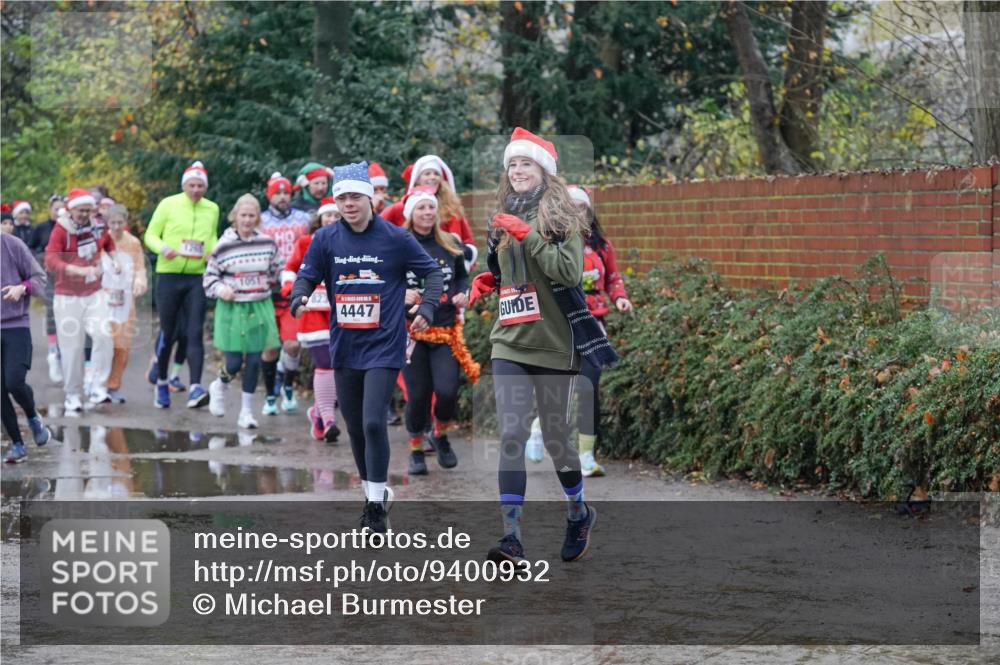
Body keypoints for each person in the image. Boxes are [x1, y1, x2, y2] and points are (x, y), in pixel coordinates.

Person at [469, 128, 618, 565]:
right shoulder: (500, 217)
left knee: (555, 438)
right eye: (512, 164)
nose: (517, 171)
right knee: (512, 435)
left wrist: (528, 235)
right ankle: (511, 537)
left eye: (525, 164)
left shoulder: (564, 218)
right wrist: (490, 278)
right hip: (510, 342)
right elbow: (512, 274)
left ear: (544, 172)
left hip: (555, 345)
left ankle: (578, 512)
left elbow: (570, 273)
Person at [290, 161, 443, 533]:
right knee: (355, 427)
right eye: (342, 198)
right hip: (345, 344)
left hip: (384, 344)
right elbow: (307, 274)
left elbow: (433, 272)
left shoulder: (394, 238)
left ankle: (376, 506)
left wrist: (425, 307)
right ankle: (373, 491)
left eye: (356, 196)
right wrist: (299, 296)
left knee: (374, 420)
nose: (349, 204)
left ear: (370, 198)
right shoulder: (326, 239)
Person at [400, 186, 478, 476]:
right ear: (411, 213)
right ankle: (416, 450)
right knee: (418, 395)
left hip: (445, 330)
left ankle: (441, 435)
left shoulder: (449, 243)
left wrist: (463, 293)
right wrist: (401, 293)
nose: (427, 212)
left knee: (447, 391)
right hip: (411, 333)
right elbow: (384, 280)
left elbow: (461, 277)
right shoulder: (400, 244)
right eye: (420, 208)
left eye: (431, 207)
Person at [143, 160, 219, 409]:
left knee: (194, 332)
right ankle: (162, 382)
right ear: (184, 185)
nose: (196, 190)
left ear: (205, 188)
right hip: (169, 276)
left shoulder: (212, 209)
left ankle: (196, 387)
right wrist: (164, 248)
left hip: (197, 277)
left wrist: (213, 252)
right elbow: (150, 235)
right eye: (191, 185)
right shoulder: (169, 204)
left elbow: (212, 238)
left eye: (200, 186)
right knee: (169, 332)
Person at [205, 194, 283, 429]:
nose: (247, 220)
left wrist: (281, 281)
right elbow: (209, 278)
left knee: (254, 360)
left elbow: (277, 272)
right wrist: (221, 289)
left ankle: (246, 412)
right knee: (234, 362)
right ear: (235, 217)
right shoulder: (224, 245)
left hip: (259, 305)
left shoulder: (267, 243)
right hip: (233, 308)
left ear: (258, 218)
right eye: (243, 215)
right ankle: (219, 385)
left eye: (252, 216)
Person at [44, 188, 119, 410]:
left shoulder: (97, 224)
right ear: (71, 209)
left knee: (104, 335)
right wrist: (75, 270)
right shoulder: (61, 229)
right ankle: (73, 394)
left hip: (94, 293)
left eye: (88, 210)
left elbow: (107, 242)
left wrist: (113, 259)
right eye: (81, 210)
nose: (85, 214)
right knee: (72, 348)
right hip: (67, 296)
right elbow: (50, 260)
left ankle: (97, 386)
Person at [282, 196, 341, 442]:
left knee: (338, 365)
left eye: (337, 216)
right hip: (313, 311)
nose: (332, 219)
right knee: (325, 362)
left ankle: (317, 413)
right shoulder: (307, 242)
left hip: (340, 311)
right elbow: (290, 268)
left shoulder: (349, 243)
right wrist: (290, 288)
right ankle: (328, 420)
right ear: (319, 218)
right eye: (328, 215)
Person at [260, 171, 311, 414]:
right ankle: (270, 395)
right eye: (277, 193)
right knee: (269, 348)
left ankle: (288, 384)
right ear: (269, 196)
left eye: (285, 192)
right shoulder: (259, 221)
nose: (282, 197)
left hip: (293, 290)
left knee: (292, 345)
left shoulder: (303, 219)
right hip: (267, 292)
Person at [2, 231, 52, 463]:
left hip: (15, 326)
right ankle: (18, 445)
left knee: (14, 382)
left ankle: (33, 418)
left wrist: (22, 288)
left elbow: (40, 278)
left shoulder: (12, 245)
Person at [104, 204, 149, 404]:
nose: (116, 226)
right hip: (101, 299)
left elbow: (140, 268)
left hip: (125, 301)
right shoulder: (100, 241)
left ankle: (114, 385)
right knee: (102, 343)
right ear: (107, 223)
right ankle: (96, 385)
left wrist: (140, 281)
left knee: (122, 345)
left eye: (119, 222)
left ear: (125, 222)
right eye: (112, 223)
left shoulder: (133, 243)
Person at [29, 195, 65, 383]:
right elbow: (31, 249)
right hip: (46, 276)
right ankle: (53, 352)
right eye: (55, 208)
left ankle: (65, 352)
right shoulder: (41, 228)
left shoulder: (69, 227)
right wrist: (41, 259)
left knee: (67, 315)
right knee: (52, 309)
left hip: (67, 276)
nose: (58, 212)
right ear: (50, 209)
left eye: (61, 209)